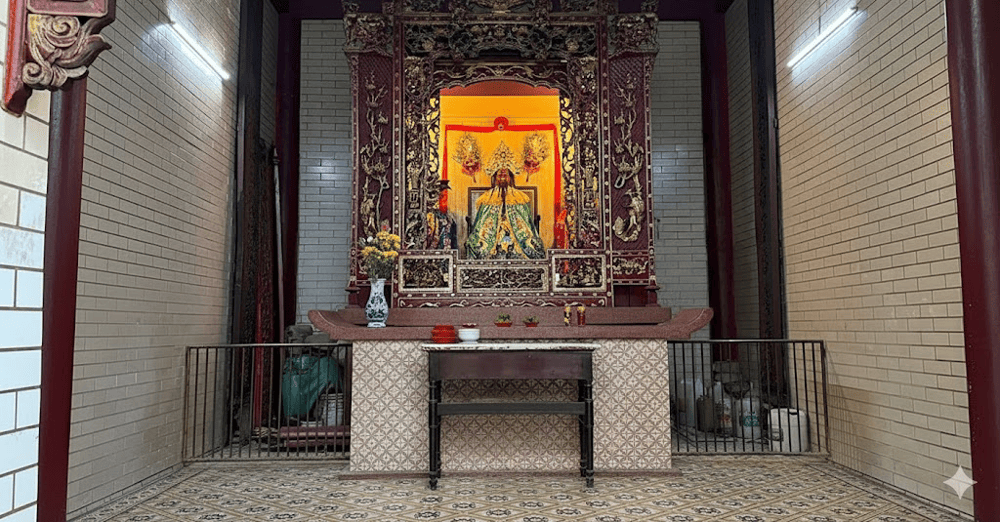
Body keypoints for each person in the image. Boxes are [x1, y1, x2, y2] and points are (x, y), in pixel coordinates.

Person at [465, 141, 545, 259]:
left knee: (532, 245)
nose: (502, 177)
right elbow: (480, 223)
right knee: (474, 244)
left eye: (505, 174)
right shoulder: (487, 198)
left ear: (510, 177)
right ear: (495, 178)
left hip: (516, 239)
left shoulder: (520, 198)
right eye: (499, 175)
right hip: (492, 239)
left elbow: (526, 223)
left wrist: (510, 225)